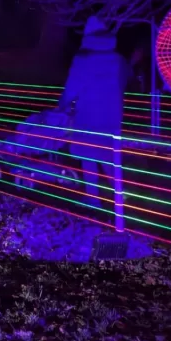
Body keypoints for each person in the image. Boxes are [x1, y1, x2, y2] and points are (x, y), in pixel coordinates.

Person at [60, 15, 128, 207]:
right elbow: (123, 83)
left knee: (88, 157)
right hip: (111, 117)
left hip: (88, 116)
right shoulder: (117, 60)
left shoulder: (83, 60)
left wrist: (62, 105)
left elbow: (72, 88)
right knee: (109, 158)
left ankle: (93, 198)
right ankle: (120, 199)